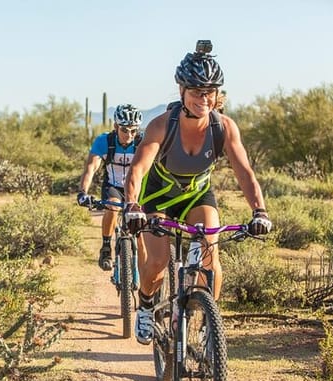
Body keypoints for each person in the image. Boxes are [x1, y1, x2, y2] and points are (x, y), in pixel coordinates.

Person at [123, 40, 272, 345]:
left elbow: (244, 172)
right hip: (159, 197)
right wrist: (132, 206)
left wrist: (259, 211)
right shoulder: (163, 125)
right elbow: (138, 169)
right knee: (157, 262)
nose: (203, 99)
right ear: (182, 92)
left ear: (218, 94)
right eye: (196, 92)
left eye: (209, 92)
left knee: (210, 257)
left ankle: (208, 328)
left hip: (197, 196)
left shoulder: (224, 127)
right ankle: (147, 305)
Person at [77, 104, 143, 271]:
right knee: (112, 205)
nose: (129, 135)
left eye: (133, 130)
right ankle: (106, 247)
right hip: (113, 186)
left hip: (137, 189)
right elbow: (91, 168)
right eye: (125, 130)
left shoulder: (142, 142)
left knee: (145, 221)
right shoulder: (104, 141)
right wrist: (83, 192)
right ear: (116, 126)